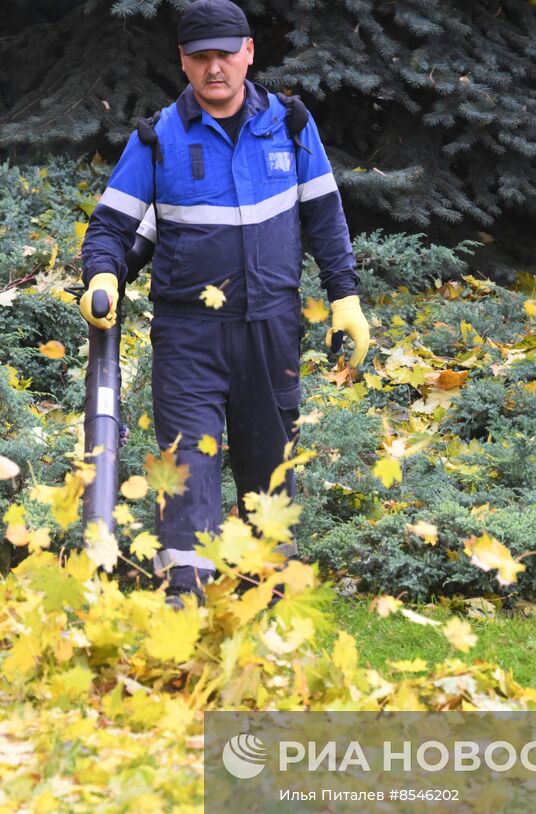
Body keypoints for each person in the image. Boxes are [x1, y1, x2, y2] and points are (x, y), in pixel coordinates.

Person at [78, 0, 369, 608]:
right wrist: (102, 278)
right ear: (183, 62)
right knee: (188, 467)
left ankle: (269, 591)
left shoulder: (290, 126)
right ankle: (185, 592)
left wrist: (345, 296)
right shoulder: (158, 138)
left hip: (272, 328)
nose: (215, 69)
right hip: (190, 337)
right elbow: (110, 229)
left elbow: (325, 216)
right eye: (201, 57)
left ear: (249, 53)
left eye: (226, 54)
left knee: (270, 464)